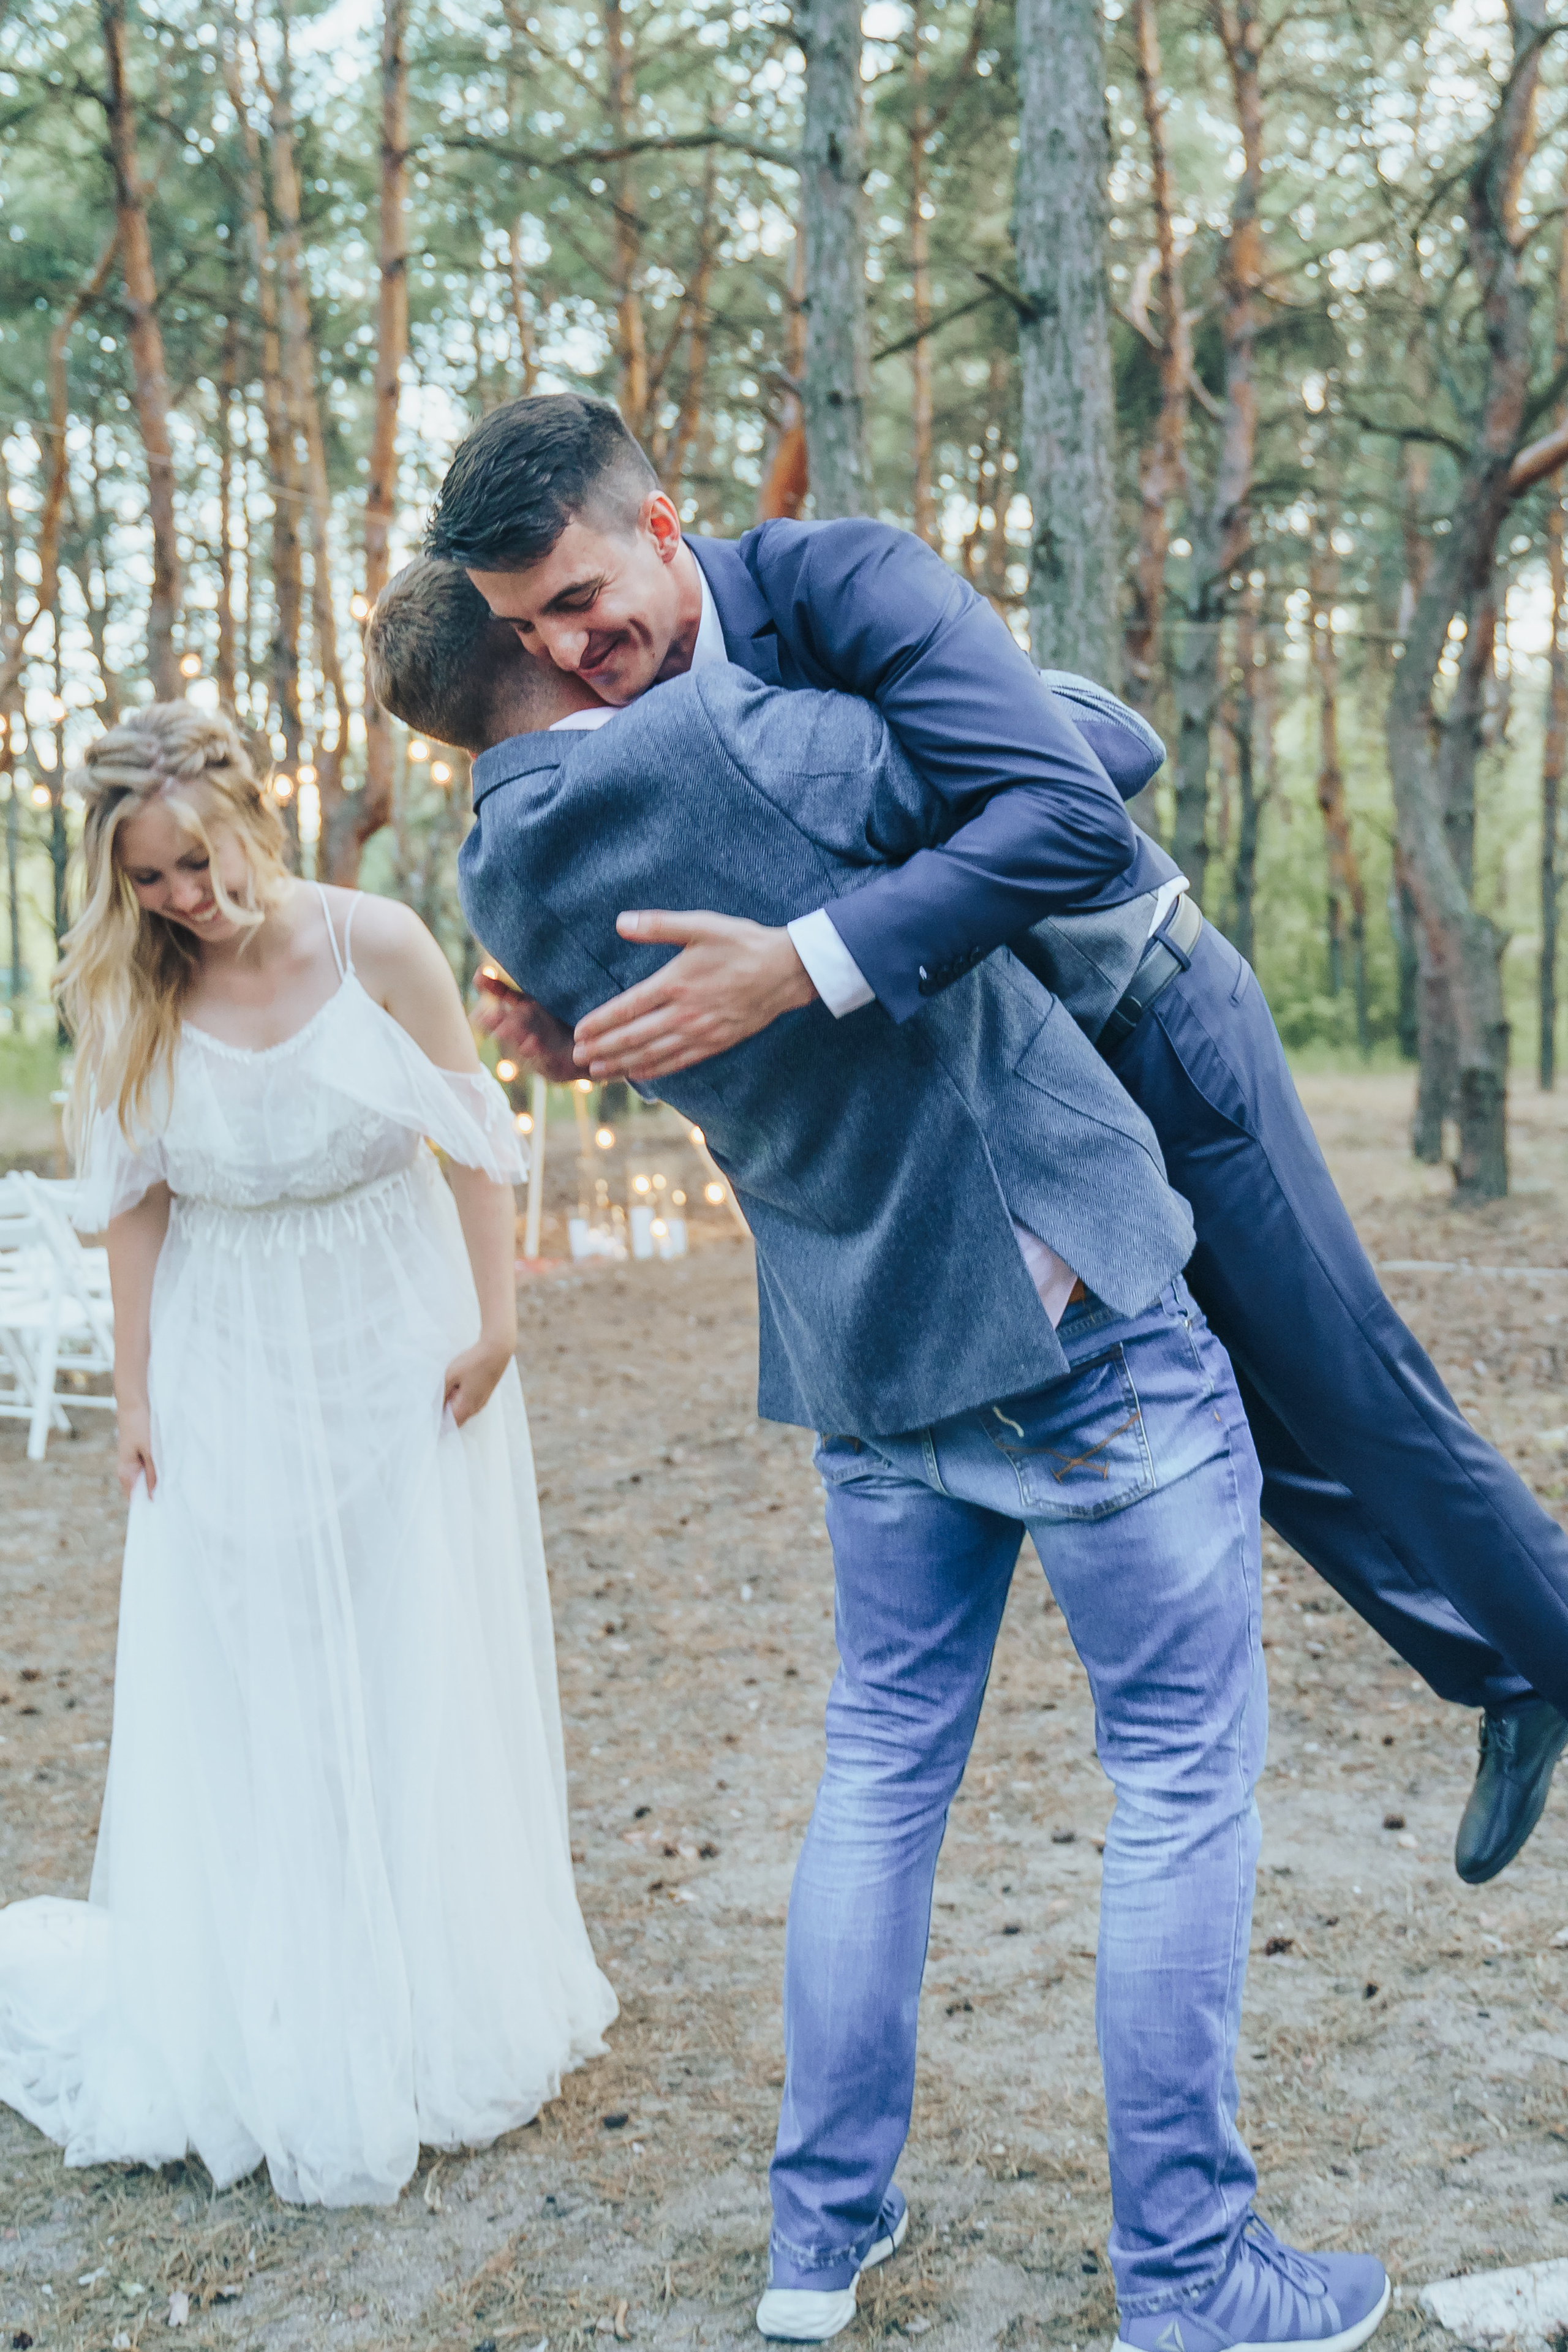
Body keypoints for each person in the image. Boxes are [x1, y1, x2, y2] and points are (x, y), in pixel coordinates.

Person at [367, 560, 1392, 2352]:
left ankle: (817, 2236)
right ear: (532, 642)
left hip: (861, 1354)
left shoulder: (498, 873)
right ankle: (1190, 2272)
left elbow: (653, 1032)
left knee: (880, 1777)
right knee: (1176, 1780)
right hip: (1067, 1320)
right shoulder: (754, 739)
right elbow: (1091, 765)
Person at [424, 392, 1568, 1888]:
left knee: (1350, 1390)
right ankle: (1502, 1674)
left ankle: (1544, 1649)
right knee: (1259, 1431)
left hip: (1148, 1023)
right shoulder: (625, 711)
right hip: (1021, 1125)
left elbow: (1079, 799)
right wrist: (591, 1033)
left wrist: (804, 959)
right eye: (528, 629)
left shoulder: (843, 583)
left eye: (578, 600)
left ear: (659, 525)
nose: (568, 649)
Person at [0, 704, 616, 2207]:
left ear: (251, 822)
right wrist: (135, 1394)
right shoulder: (135, 991)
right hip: (223, 1346)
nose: (186, 899)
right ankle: (276, 1997)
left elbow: (472, 1138)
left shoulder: (376, 944)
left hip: (395, 1335)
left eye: (199, 862)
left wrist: (497, 1320)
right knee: (256, 1667)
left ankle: (420, 1989)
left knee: (409, 1650)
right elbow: (134, 1203)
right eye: (149, 879)